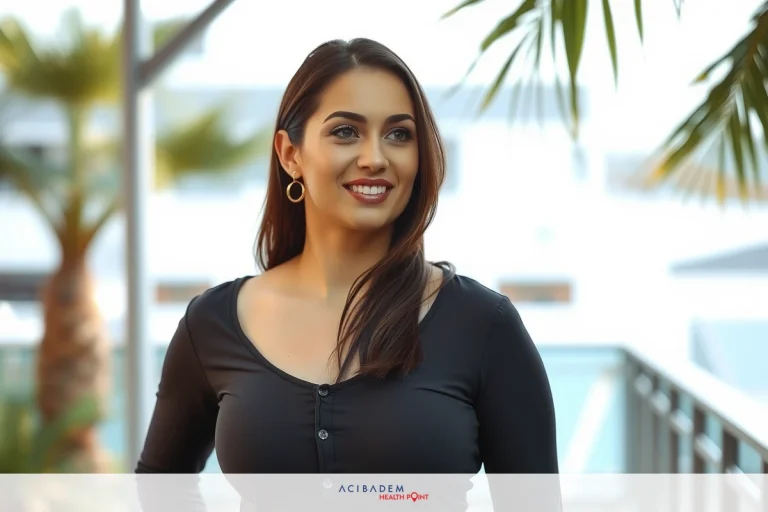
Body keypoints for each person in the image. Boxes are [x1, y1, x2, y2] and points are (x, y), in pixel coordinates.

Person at [135, 38, 560, 511]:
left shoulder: (484, 325)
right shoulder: (211, 324)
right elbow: (160, 485)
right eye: (345, 132)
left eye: (399, 134)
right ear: (290, 153)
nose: (375, 157)